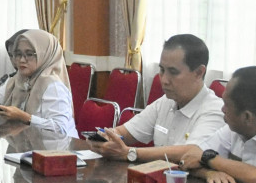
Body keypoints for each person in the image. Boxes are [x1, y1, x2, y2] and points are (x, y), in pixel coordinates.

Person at [94, 34, 225, 163]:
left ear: (199, 73)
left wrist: (130, 153)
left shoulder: (215, 110)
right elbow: (126, 133)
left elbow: (193, 153)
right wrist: (108, 137)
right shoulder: (166, 101)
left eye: (173, 72)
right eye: (162, 70)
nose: (164, 80)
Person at [0, 29, 75, 136]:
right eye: (18, 54)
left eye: (29, 54)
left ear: (44, 55)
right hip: (27, 144)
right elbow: (0, 110)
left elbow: (60, 129)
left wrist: (25, 118)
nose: (21, 60)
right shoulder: (16, 80)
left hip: (58, 148)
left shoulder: (52, 86)